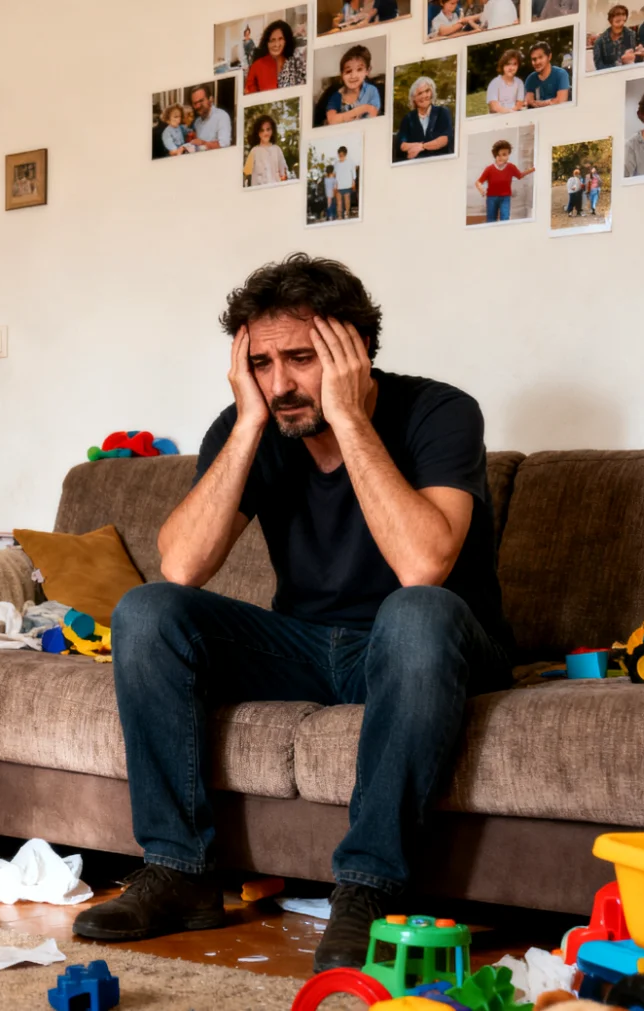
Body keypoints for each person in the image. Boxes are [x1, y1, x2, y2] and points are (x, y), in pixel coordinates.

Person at [69, 254, 512, 974]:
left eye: (301, 359)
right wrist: (247, 422)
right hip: (310, 646)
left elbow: (423, 564)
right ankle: (181, 869)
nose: (280, 383)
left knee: (417, 611)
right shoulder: (260, 422)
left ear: (353, 351)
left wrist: (346, 417)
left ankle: (369, 887)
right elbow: (181, 565)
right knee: (148, 611)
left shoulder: (440, 411)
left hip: (431, 645)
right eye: (263, 362)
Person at [475, 138, 534, 222]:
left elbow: (519, 175)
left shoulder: (511, 167)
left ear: (508, 155)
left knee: (505, 218)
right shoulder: (489, 169)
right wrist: (481, 190)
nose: (501, 157)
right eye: (498, 155)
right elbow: (478, 182)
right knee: (491, 219)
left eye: (504, 154)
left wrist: (532, 169)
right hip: (491, 198)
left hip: (505, 198)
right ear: (495, 155)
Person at [397, 75, 455, 160]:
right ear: (414, 98)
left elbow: (444, 139)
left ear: (432, 93)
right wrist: (422, 146)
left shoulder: (442, 112)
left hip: (441, 161)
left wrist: (422, 146)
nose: (424, 95)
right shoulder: (408, 118)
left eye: (427, 91)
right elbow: (402, 145)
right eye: (420, 93)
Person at [324, 45, 383, 124]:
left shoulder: (371, 91)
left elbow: (372, 113)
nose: (353, 76)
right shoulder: (336, 96)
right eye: (348, 71)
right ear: (342, 74)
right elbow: (332, 120)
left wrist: (342, 117)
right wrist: (363, 109)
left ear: (367, 71)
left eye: (359, 69)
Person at [247, 20, 305, 93]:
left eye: (280, 39)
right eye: (272, 40)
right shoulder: (258, 64)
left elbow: (305, 85)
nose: (276, 44)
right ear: (267, 43)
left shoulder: (295, 60)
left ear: (286, 41)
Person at [593, 5, 644, 71]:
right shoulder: (599, 42)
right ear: (610, 20)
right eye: (617, 16)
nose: (620, 20)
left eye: (623, 15)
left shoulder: (631, 34)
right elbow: (599, 67)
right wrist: (620, 64)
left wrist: (640, 56)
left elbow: (636, 61)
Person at [246, 113, 291, 186]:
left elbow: (283, 173)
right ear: (258, 133)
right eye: (262, 130)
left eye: (268, 129)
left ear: (272, 131)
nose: (265, 133)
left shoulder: (277, 149)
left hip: (275, 188)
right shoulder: (254, 151)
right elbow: (247, 173)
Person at [525, 41, 573, 107]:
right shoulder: (530, 79)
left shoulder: (561, 74)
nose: (537, 62)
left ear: (549, 57)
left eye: (540, 57)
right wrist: (551, 102)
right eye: (534, 59)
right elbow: (529, 102)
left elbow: (561, 101)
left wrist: (538, 103)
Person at [189, 85, 234, 151]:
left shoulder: (222, 116)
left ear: (210, 99)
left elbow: (224, 145)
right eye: (195, 103)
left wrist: (203, 143)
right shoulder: (197, 122)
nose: (198, 106)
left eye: (201, 101)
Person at [486, 49, 528, 114]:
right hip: (497, 118)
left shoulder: (519, 83)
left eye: (514, 64)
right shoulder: (494, 83)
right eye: (508, 64)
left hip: (514, 115)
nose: (511, 68)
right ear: (503, 65)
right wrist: (509, 112)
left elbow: (519, 104)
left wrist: (511, 113)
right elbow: (494, 106)